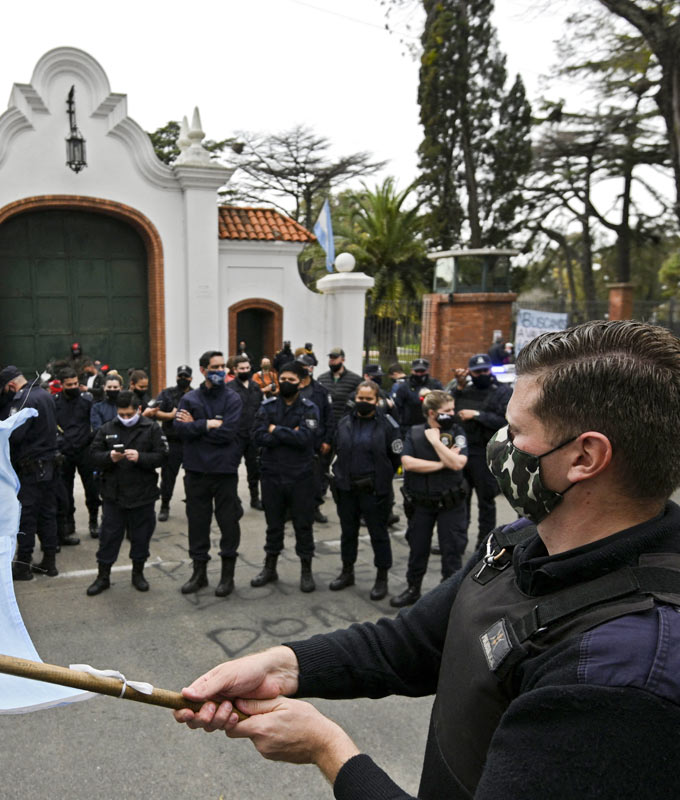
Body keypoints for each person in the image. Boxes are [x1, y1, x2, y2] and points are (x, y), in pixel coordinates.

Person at [173, 319, 680, 800]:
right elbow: (410, 642)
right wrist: (284, 665)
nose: (500, 445)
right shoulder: (521, 542)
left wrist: (328, 750)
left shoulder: (619, 680)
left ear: (583, 458)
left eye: (515, 430)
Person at [174, 350, 243, 597]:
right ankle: (199, 573)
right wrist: (207, 423)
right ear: (203, 370)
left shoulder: (233, 398)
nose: (221, 371)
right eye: (215, 367)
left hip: (224, 471)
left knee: (228, 522)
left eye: (223, 366)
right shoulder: (190, 399)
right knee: (198, 523)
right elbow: (179, 429)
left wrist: (197, 426)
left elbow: (228, 433)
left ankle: (227, 577)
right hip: (196, 471)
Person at [85, 391, 168, 595]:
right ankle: (103, 576)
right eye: (122, 414)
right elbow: (93, 455)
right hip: (114, 495)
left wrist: (141, 457)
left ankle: (138, 574)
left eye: (130, 414)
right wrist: (109, 457)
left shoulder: (151, 428)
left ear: (139, 410)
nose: (125, 418)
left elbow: (163, 456)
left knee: (141, 537)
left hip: (143, 494)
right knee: (109, 538)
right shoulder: (107, 428)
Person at [328, 381, 402, 601]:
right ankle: (347, 572)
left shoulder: (389, 425)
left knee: (378, 535)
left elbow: (395, 457)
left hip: (374, 490)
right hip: (347, 489)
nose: (363, 402)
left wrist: (381, 479)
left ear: (377, 400)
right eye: (360, 398)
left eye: (369, 399)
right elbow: (336, 449)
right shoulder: (344, 422)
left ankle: (382, 578)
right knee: (348, 533)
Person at [250, 362, 320, 592]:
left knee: (303, 525)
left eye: (291, 380)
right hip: (272, 475)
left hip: (301, 476)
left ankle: (306, 571)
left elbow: (306, 440)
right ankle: (270, 568)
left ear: (302, 382)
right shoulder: (268, 406)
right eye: (283, 379)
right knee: (274, 525)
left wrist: (275, 430)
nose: (286, 383)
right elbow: (258, 436)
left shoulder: (310, 408)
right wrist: (289, 433)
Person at [395, 389, 469, 606]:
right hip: (421, 504)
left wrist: (436, 442)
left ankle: (449, 598)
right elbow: (408, 463)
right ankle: (413, 588)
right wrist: (442, 462)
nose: (453, 413)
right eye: (447, 410)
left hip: (451, 503)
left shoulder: (457, 431)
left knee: (451, 551)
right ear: (432, 413)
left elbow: (458, 464)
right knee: (418, 548)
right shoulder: (415, 432)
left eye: (452, 409)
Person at [0, 367, 60, 581]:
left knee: (27, 517)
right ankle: (50, 562)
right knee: (48, 514)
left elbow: (14, 435)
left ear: (10, 385)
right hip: (50, 464)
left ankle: (23, 565)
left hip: (30, 468)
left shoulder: (22, 399)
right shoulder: (44, 394)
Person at [451, 353, 512, 548]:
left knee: (486, 502)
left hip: (485, 454)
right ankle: (458, 541)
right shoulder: (463, 390)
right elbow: (450, 411)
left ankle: (484, 544)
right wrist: (458, 387)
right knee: (461, 500)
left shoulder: (502, 391)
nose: (482, 374)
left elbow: (505, 421)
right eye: (477, 372)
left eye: (485, 370)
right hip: (463, 452)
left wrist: (477, 415)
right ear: (471, 373)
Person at [54, 366, 99, 541]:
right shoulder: (55, 402)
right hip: (65, 453)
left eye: (75, 383)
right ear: (62, 384)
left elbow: (95, 423)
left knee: (92, 489)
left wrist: (90, 441)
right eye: (69, 384)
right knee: (66, 491)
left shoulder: (87, 401)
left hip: (85, 450)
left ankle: (94, 522)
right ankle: (68, 524)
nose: (73, 387)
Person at [147, 365, 193, 522]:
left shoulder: (196, 395)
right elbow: (153, 410)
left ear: (191, 378)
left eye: (185, 377)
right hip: (172, 441)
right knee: (168, 477)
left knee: (194, 476)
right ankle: (165, 505)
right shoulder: (167, 393)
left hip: (190, 442)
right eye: (180, 376)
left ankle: (193, 505)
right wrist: (170, 415)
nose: (182, 379)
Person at [299, 353, 334, 524]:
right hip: (296, 442)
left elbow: (329, 418)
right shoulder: (291, 388)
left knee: (316, 478)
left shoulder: (321, 391)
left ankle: (314, 508)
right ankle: (293, 509)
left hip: (316, 442)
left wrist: (327, 440)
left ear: (312, 369)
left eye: (306, 366)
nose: (304, 369)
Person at [228, 355, 264, 510]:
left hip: (253, 435)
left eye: (247, 368)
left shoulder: (256, 387)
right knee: (231, 468)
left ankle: (255, 498)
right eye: (241, 369)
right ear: (235, 370)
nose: (245, 371)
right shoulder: (229, 389)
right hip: (236, 436)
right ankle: (232, 499)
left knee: (254, 469)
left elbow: (261, 410)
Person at [391, 358, 443, 438]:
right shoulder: (404, 387)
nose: (419, 374)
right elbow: (397, 408)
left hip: (430, 427)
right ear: (412, 371)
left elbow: (442, 404)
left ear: (427, 370)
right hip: (409, 427)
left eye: (422, 371)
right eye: (417, 371)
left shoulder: (435, 385)